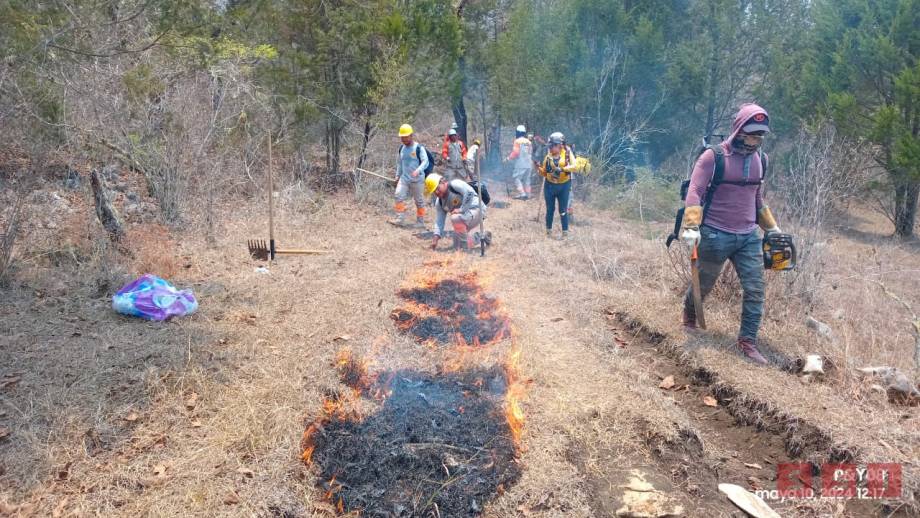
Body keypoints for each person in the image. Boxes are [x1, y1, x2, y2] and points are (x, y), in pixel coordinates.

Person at [680, 103, 781, 365]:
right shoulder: (713, 157)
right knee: (704, 284)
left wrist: (772, 227)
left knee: (756, 289)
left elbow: (757, 198)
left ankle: (747, 341)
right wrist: (691, 226)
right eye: (752, 133)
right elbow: (695, 191)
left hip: (748, 236)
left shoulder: (762, 160)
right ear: (738, 130)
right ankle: (690, 316)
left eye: (760, 135)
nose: (756, 139)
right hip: (714, 234)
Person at [538, 132, 583, 239]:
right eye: (550, 146)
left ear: (559, 145)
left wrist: (562, 169)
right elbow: (544, 172)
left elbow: (575, 166)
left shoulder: (567, 153)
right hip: (549, 186)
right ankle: (548, 233)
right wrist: (539, 169)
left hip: (564, 185)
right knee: (550, 209)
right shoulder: (548, 156)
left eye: (552, 146)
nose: (550, 148)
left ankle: (565, 234)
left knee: (563, 210)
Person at [425, 173, 485, 251]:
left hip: (476, 210)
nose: (436, 192)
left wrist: (461, 210)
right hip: (464, 217)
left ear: (442, 182)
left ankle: (464, 249)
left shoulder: (455, 185)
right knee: (456, 246)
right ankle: (482, 236)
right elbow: (439, 221)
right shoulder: (439, 203)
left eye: (437, 188)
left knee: (455, 218)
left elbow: (470, 193)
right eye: (434, 191)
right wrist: (435, 238)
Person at [390, 123, 429, 228]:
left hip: (418, 179)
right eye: (402, 138)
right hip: (405, 178)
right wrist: (397, 176)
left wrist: (418, 170)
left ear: (411, 135)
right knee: (398, 195)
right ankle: (400, 219)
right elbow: (400, 163)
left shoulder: (419, 148)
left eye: (406, 137)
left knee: (419, 201)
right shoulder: (401, 148)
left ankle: (420, 222)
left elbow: (425, 162)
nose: (403, 140)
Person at [506, 125, 533, 200]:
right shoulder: (528, 142)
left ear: (517, 133)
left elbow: (515, 153)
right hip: (529, 164)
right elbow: (530, 152)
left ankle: (522, 194)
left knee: (517, 178)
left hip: (521, 164)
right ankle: (528, 195)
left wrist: (508, 158)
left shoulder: (517, 141)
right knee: (527, 180)